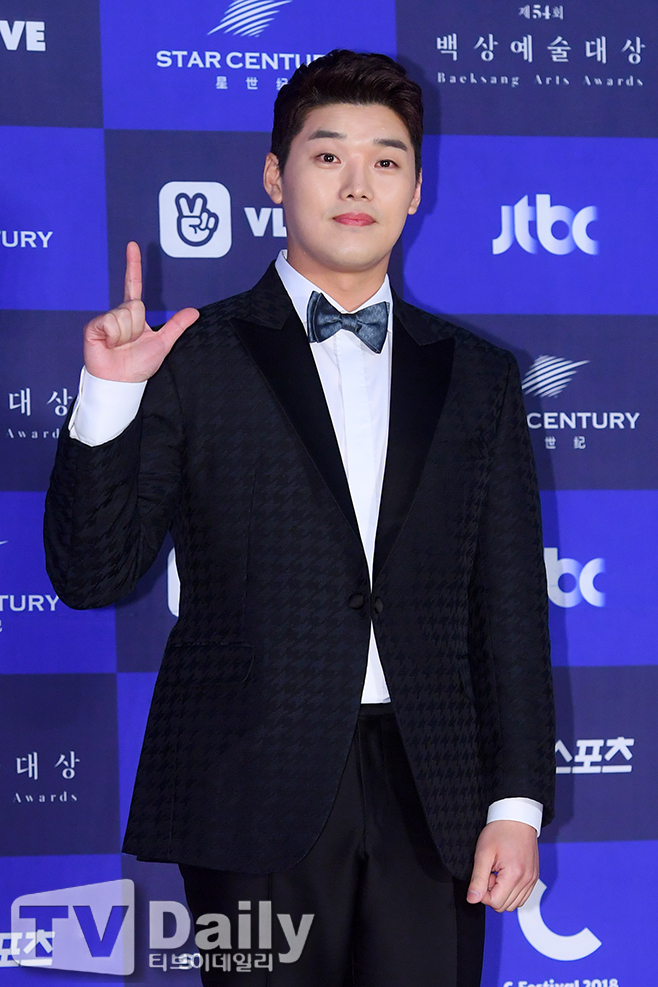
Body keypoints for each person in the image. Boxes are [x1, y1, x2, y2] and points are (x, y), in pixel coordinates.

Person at [44, 49, 554, 987]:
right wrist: (109, 395)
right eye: (327, 156)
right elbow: (91, 572)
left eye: (386, 160)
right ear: (276, 177)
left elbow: (511, 609)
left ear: (415, 189)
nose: (358, 184)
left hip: (434, 792)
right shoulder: (194, 356)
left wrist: (515, 803)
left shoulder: (477, 376)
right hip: (249, 788)